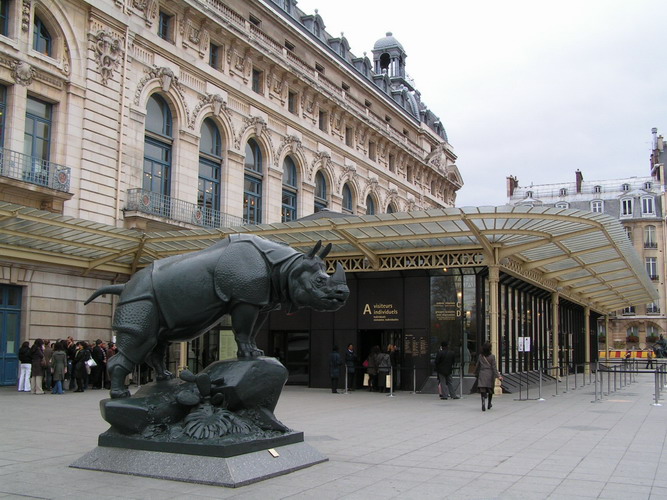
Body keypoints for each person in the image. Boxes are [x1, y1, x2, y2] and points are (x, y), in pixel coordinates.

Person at [475, 342, 502, 411]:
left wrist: (476, 373)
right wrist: (498, 376)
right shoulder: (492, 357)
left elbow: (477, 365)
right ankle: (489, 403)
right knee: (490, 390)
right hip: (490, 374)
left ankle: (483, 403)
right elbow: (494, 367)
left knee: (482, 390)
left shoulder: (480, 356)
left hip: (482, 373)